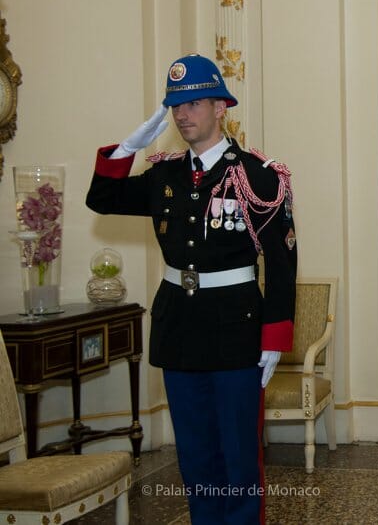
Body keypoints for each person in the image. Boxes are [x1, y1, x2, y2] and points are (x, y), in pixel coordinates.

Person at [86, 54, 297, 525]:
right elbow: (101, 198)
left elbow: (282, 261)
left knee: (239, 460)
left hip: (236, 333)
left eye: (195, 103)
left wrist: (275, 335)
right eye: (176, 105)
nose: (183, 115)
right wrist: (126, 149)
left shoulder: (257, 175)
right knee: (197, 461)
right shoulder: (164, 175)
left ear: (221, 106)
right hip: (178, 330)